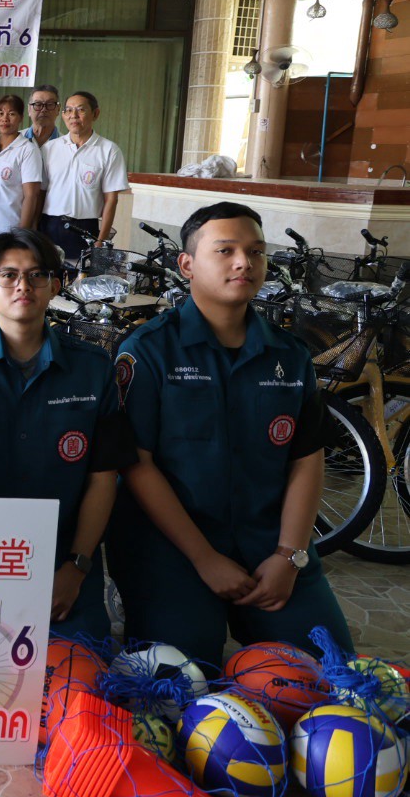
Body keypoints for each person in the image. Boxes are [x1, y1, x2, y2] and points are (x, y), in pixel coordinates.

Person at [108, 202, 354, 662]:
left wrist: (289, 556)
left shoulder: (290, 355)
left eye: (256, 252)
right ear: (187, 265)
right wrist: (204, 558)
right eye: (225, 250)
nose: (244, 262)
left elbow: (306, 457)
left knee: (329, 671)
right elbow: (136, 464)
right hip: (173, 547)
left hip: (268, 540)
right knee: (182, 676)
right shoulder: (149, 350)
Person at [0, 230, 134, 639]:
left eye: (37, 275)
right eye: (8, 275)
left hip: (63, 563)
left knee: (77, 670)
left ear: (55, 287)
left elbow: (103, 477)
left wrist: (77, 568)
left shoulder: (93, 369)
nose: (23, 285)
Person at [42, 91, 129, 260]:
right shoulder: (49, 149)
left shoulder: (109, 150)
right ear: (63, 115)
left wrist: (100, 241)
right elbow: (40, 193)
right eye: (69, 110)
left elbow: (111, 200)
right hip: (50, 225)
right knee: (48, 272)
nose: (73, 116)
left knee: (81, 274)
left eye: (80, 110)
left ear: (95, 114)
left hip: (86, 228)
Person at [0, 94, 44, 241]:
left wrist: (21, 235)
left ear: (20, 118)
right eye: (0, 113)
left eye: (11, 114)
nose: (5, 119)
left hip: (10, 232)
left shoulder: (28, 150)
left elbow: (31, 196)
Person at [26, 84, 61, 151]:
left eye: (50, 104)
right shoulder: (15, 141)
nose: (44, 109)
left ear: (58, 109)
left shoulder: (67, 146)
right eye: (38, 104)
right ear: (29, 109)